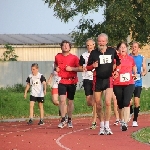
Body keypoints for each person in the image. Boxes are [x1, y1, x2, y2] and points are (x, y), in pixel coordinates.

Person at [86, 33, 121, 135]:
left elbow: (118, 62)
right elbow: (87, 67)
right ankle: (101, 125)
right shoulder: (94, 53)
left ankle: (107, 125)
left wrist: (116, 71)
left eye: (103, 41)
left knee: (108, 102)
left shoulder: (112, 51)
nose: (101, 43)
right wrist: (93, 65)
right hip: (97, 80)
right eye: (99, 41)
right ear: (97, 42)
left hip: (108, 79)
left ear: (106, 42)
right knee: (99, 104)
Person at [54, 40, 79, 128]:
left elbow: (80, 68)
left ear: (70, 47)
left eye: (67, 45)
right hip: (62, 81)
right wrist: (56, 68)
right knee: (62, 100)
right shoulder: (57, 56)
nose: (65, 47)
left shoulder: (74, 58)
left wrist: (71, 69)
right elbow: (55, 65)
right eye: (64, 45)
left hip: (72, 81)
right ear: (61, 47)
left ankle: (70, 119)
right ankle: (63, 119)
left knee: (70, 101)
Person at [113, 42, 137, 131]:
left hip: (129, 83)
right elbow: (111, 68)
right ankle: (122, 120)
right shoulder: (115, 59)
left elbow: (134, 67)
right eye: (121, 47)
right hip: (117, 83)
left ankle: (125, 123)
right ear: (118, 49)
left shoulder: (130, 58)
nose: (123, 49)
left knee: (126, 102)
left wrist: (135, 73)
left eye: (124, 47)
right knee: (120, 103)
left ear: (127, 49)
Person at [79, 38, 97, 129]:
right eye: (87, 45)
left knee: (95, 99)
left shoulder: (98, 54)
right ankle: (97, 109)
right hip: (86, 78)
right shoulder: (83, 56)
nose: (89, 47)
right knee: (89, 102)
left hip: (96, 78)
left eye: (91, 45)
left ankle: (94, 120)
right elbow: (80, 66)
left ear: (94, 45)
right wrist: (83, 68)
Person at [129, 42, 147, 127]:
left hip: (138, 82)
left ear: (138, 48)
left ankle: (135, 120)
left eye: (135, 47)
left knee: (136, 102)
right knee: (129, 101)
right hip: (129, 81)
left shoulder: (142, 58)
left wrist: (143, 73)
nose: (134, 48)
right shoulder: (128, 57)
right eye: (132, 47)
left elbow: (145, 69)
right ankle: (130, 111)